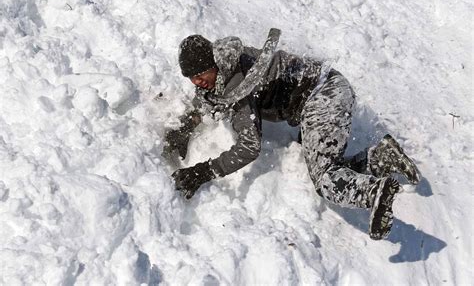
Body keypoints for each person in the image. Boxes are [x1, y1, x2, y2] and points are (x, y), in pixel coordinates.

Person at [162, 32, 420, 240]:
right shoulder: (227, 63)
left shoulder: (238, 85)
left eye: (200, 74)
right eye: (191, 78)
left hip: (323, 96)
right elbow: (210, 98)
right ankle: (380, 157)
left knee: (326, 182)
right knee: (328, 166)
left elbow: (250, 146)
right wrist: (186, 127)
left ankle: (373, 193)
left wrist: (204, 172)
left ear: (212, 63)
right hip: (327, 88)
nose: (197, 82)